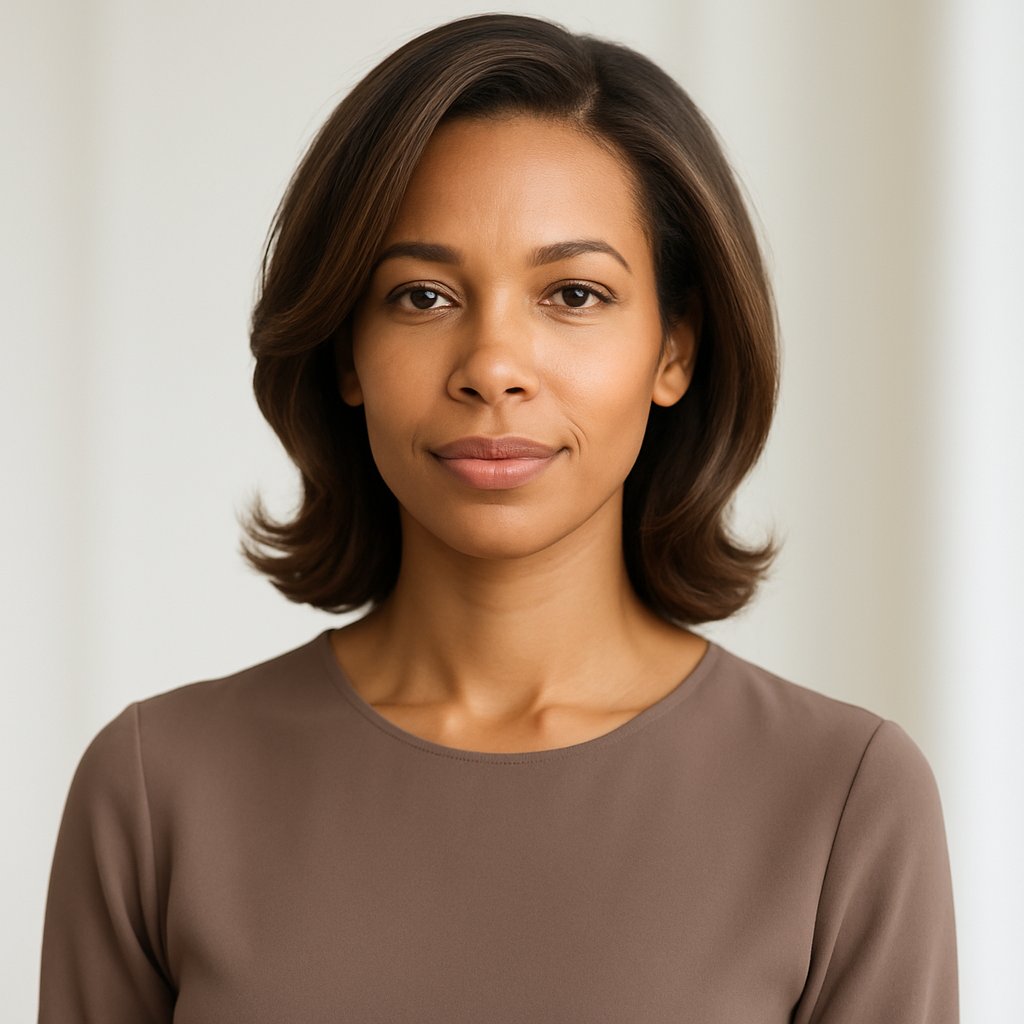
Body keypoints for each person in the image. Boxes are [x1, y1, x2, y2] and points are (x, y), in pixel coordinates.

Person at [38, 13, 959, 1022]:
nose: (492, 367)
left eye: (574, 293)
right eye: (423, 297)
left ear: (675, 349)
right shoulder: (157, 789)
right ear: (346, 351)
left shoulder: (841, 798)